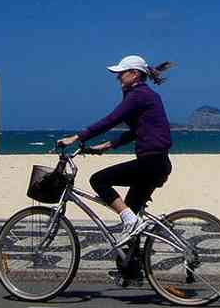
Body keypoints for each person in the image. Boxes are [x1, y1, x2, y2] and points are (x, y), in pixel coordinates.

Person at [57, 55, 173, 244]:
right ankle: (130, 271)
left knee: (98, 180)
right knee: (131, 220)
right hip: (157, 162)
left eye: (121, 73)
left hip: (150, 163)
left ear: (135, 74)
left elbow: (111, 120)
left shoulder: (139, 95)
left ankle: (129, 219)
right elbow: (137, 130)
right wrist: (107, 146)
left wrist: (77, 137)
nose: (117, 77)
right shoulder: (143, 95)